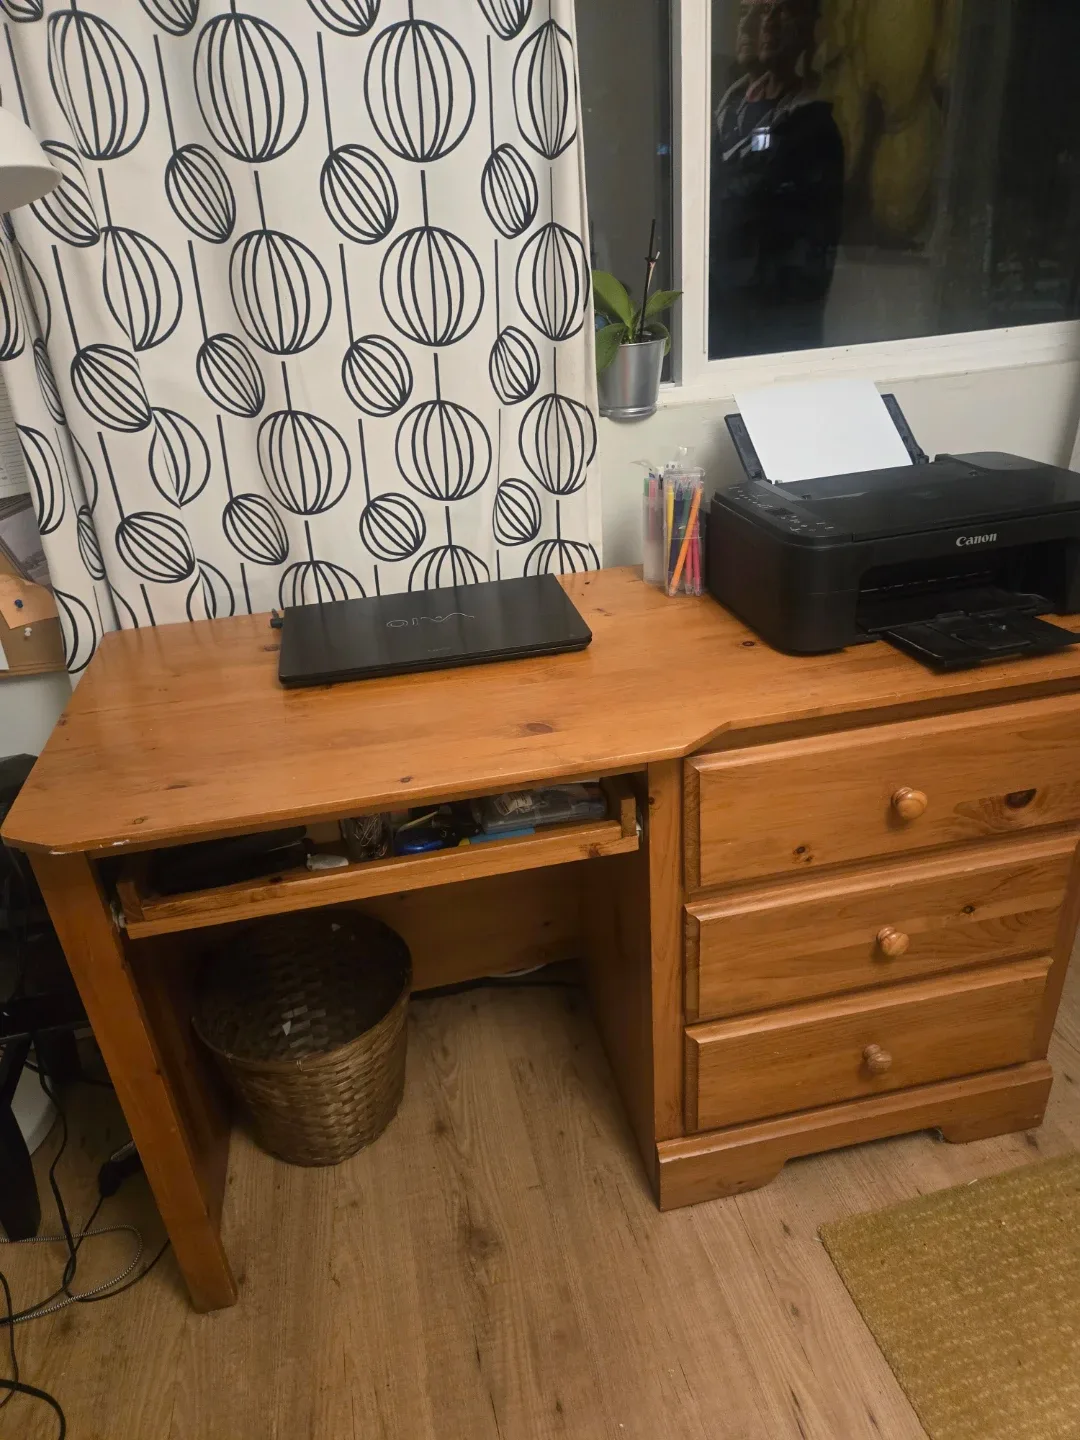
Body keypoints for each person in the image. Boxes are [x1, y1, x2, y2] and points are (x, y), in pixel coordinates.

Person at [709, 0, 845, 359]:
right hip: (722, 314)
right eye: (753, 11)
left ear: (805, 26)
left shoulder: (812, 126)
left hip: (774, 324)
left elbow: (750, 202)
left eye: (778, 11)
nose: (762, 24)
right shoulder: (729, 110)